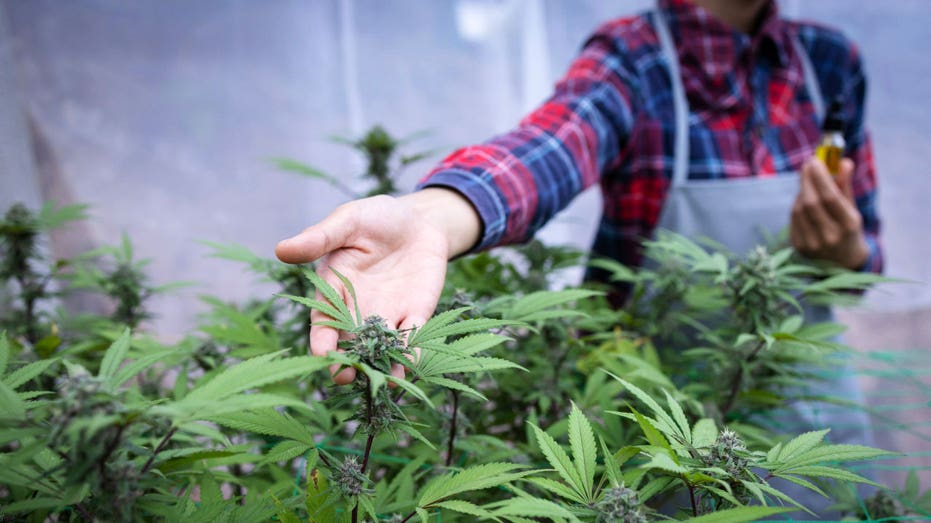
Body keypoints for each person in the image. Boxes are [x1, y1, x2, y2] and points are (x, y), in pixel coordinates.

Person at [277, 0, 880, 511]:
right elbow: (550, 147)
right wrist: (434, 215)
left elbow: (864, 265)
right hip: (659, 402)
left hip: (806, 389)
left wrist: (846, 249)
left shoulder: (829, 63)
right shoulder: (632, 57)